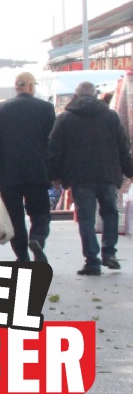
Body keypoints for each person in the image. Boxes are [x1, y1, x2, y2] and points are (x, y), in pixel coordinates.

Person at [47, 81, 133, 275]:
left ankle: (92, 261)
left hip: (80, 177)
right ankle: (109, 252)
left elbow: (54, 149)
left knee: (86, 218)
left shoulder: (65, 118)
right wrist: (130, 171)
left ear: (75, 97)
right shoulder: (111, 117)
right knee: (110, 213)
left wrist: (54, 175)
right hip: (108, 176)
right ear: (95, 96)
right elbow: (123, 147)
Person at [0, 71, 55, 264]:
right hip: (37, 172)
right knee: (40, 212)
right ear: (32, 87)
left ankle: (22, 257)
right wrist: (55, 171)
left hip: (9, 176)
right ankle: (37, 238)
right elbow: (52, 143)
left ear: (16, 88)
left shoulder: (1, 109)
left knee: (14, 217)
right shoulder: (46, 108)